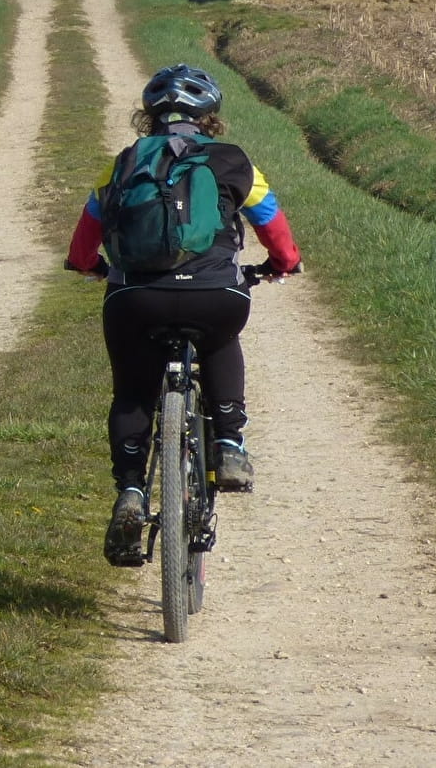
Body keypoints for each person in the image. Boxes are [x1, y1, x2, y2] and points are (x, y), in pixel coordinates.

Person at [64, 64, 302, 567]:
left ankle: (130, 490)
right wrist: (283, 265)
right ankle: (230, 444)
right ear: (210, 117)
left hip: (136, 297)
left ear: (148, 117)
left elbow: (86, 238)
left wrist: (89, 267)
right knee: (219, 340)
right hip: (215, 294)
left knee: (133, 390)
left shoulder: (125, 161)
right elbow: (273, 227)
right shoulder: (235, 162)